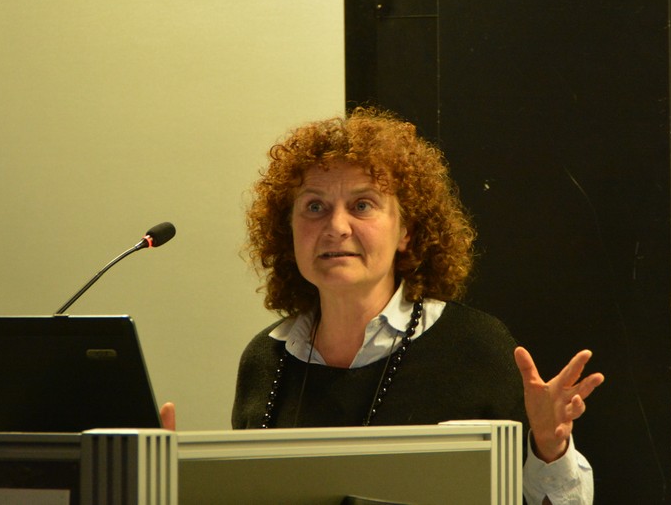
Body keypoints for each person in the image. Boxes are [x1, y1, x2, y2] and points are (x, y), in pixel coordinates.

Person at [163, 107, 604, 504]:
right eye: (314, 206)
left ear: (406, 231)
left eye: (362, 205)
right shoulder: (266, 358)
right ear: (288, 230)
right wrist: (170, 481)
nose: (336, 227)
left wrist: (549, 448)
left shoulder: (475, 347)